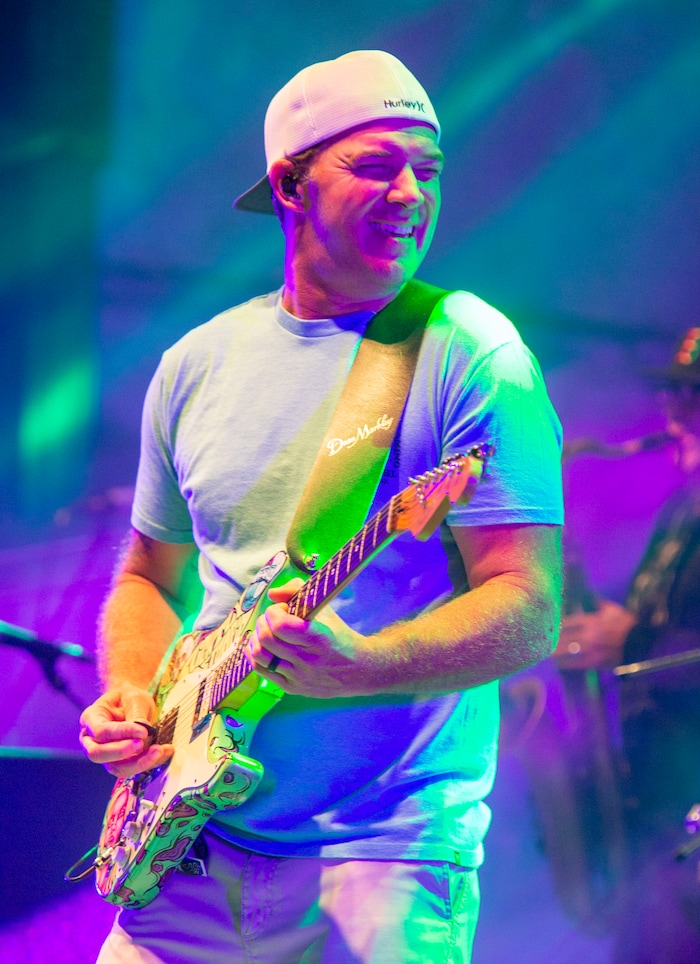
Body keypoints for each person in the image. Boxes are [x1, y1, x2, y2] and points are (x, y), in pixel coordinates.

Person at [79, 50, 563, 964]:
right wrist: (133, 694)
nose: (412, 192)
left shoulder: (468, 352)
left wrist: (368, 663)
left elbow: (529, 606)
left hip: (378, 859)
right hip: (183, 847)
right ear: (290, 184)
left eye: (429, 169)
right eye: (377, 166)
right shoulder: (197, 363)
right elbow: (148, 577)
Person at [554, 327, 700, 961]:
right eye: (672, 396)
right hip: (658, 786)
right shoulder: (681, 509)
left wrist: (634, 638)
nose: (673, 415)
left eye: (691, 398)